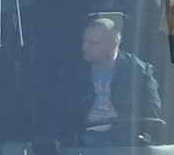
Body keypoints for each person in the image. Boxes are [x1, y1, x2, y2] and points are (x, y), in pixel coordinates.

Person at [67, 16, 161, 147]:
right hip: (80, 148)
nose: (84, 46)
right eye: (84, 41)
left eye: (91, 42)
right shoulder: (73, 74)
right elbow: (59, 114)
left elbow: (152, 116)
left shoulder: (140, 73)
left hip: (124, 148)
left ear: (113, 45)